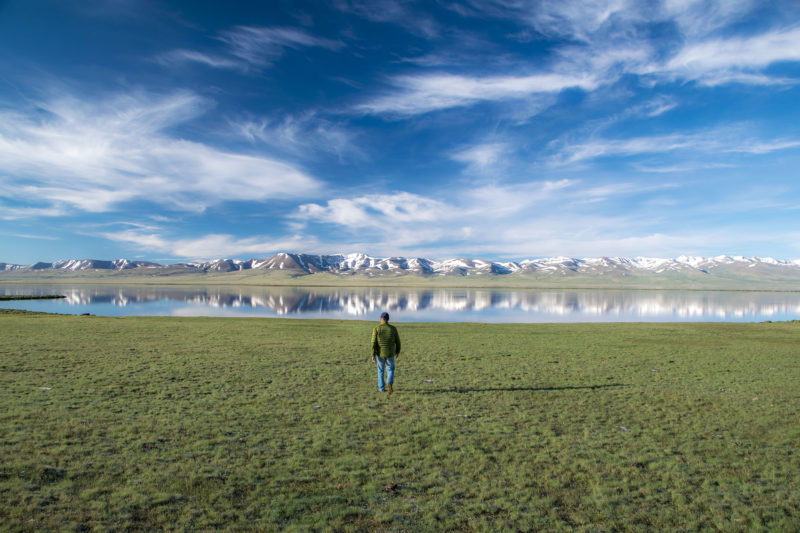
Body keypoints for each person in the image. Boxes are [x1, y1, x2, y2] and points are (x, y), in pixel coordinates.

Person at [371, 311, 401, 395]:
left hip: (380, 354)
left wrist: (373, 354)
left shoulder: (376, 328)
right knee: (390, 369)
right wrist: (397, 351)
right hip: (390, 353)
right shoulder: (393, 329)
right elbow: (398, 342)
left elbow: (373, 342)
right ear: (388, 319)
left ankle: (381, 388)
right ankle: (389, 383)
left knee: (380, 371)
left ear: (381, 319)